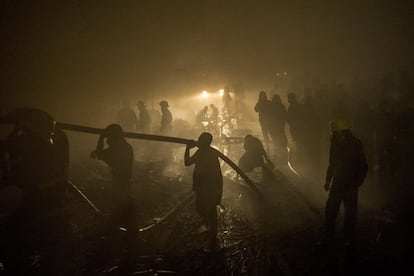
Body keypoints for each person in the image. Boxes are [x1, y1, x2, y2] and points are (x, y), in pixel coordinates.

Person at [0, 108, 71, 274]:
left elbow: (53, 183)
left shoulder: (52, 150)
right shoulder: (16, 147)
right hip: (24, 216)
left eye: (24, 131)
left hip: (47, 218)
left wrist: (23, 192)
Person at [323, 118, 368, 244]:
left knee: (337, 210)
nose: (332, 133)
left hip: (345, 183)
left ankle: (338, 238)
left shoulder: (347, 144)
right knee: (343, 211)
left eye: (334, 131)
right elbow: (332, 164)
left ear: (340, 132)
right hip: (344, 183)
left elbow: (362, 166)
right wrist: (328, 180)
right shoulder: (345, 143)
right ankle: (342, 238)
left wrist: (356, 183)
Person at [90, 124, 134, 229]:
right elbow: (100, 154)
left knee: (120, 207)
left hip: (119, 182)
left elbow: (99, 154)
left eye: (108, 137)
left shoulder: (116, 149)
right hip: (126, 181)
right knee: (127, 208)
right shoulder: (126, 147)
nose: (107, 140)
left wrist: (100, 138)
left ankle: (119, 230)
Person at [184, 132, 223, 250]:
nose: (198, 141)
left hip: (208, 188)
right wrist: (187, 148)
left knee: (210, 211)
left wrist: (187, 148)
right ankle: (210, 231)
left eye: (200, 139)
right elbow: (188, 163)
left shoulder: (207, 154)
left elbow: (187, 162)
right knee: (203, 210)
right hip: (203, 187)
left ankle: (212, 238)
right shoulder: (203, 152)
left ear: (205, 142)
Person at [269, 94, 288, 163]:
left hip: (275, 126)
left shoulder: (271, 107)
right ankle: (283, 149)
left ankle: (279, 149)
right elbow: (285, 114)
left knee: (276, 138)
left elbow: (269, 116)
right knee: (281, 136)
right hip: (279, 125)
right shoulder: (281, 106)